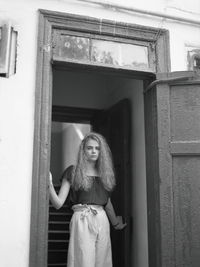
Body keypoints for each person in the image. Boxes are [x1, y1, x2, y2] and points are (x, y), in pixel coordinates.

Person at [49, 132, 126, 267]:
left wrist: (115, 223)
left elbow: (107, 202)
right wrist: (49, 185)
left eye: (97, 148)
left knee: (103, 260)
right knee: (83, 260)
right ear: (83, 150)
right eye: (90, 148)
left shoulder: (105, 173)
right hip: (82, 218)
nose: (94, 151)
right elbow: (57, 204)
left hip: (102, 218)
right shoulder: (73, 171)